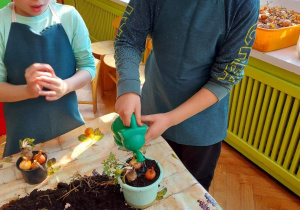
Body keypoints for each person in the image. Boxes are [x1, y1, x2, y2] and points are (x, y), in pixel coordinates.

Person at [114, 0, 259, 191]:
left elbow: (225, 77)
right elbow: (128, 39)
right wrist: (129, 85)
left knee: (190, 191)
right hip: (152, 109)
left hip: (202, 126)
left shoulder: (243, 3)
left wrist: (171, 118)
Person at [0, 0, 96, 157]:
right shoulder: (2, 23)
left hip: (68, 129)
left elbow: (89, 68)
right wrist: (27, 91)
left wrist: (66, 86)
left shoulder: (69, 16)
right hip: (23, 139)